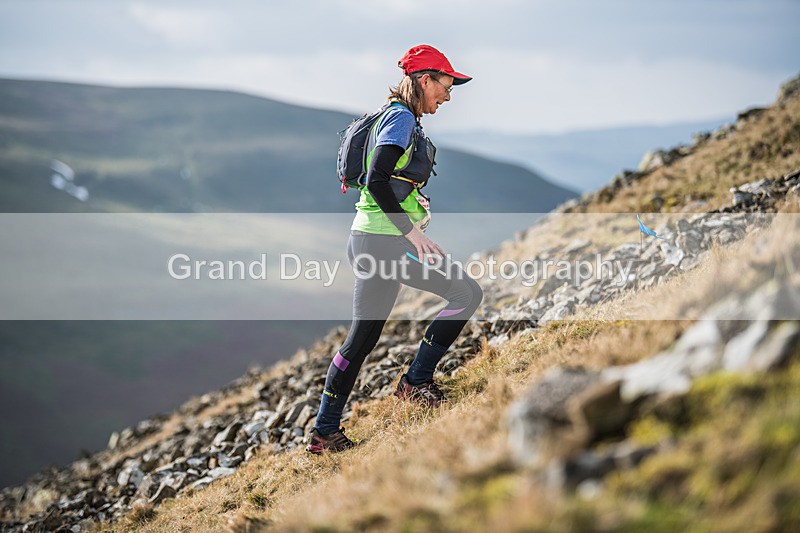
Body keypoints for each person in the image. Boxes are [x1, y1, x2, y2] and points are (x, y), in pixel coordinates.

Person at [306, 44, 483, 453]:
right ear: (424, 80)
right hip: (384, 243)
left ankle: (323, 432)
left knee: (361, 340)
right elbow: (377, 178)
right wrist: (411, 234)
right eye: (446, 85)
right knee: (466, 293)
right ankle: (416, 382)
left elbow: (383, 181)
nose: (449, 94)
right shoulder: (401, 120)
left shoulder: (394, 117)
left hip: (368, 240)